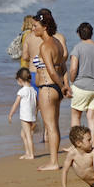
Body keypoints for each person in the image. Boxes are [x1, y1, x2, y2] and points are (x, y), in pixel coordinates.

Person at [32, 10, 70, 172]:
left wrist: (62, 86)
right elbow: (63, 67)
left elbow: (52, 71)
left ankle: (53, 162)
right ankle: (54, 160)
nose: (33, 29)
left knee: (50, 126)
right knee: (54, 125)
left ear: (45, 27)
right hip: (55, 89)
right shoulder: (57, 43)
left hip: (48, 88)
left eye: (35, 26)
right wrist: (64, 86)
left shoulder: (45, 46)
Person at [69, 23, 94, 148]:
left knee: (76, 115)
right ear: (92, 33)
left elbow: (73, 69)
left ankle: (76, 145)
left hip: (81, 86)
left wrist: (71, 81)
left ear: (79, 34)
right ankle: (92, 145)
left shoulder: (77, 48)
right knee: (92, 117)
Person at [8, 67, 37, 160]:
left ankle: (31, 154)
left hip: (25, 116)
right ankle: (27, 152)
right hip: (32, 116)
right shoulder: (33, 90)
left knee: (27, 135)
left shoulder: (22, 91)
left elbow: (15, 104)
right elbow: (37, 103)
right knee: (23, 134)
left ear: (20, 79)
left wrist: (10, 114)